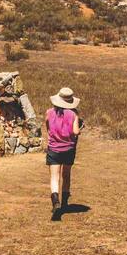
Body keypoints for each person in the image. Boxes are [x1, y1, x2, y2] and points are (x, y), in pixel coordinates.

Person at [45, 87, 83, 218]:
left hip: (53, 148)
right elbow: (75, 131)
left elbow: (48, 128)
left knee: (54, 177)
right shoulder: (73, 114)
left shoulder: (49, 112)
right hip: (69, 149)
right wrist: (80, 127)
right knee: (66, 175)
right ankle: (65, 202)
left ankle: (56, 201)